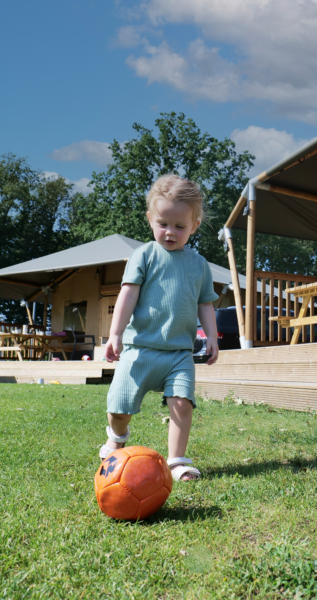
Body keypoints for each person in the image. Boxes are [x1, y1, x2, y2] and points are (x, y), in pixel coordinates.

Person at [99, 174, 219, 482]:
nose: (170, 232)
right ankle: (117, 435)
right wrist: (115, 334)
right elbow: (128, 294)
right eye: (163, 223)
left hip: (179, 352)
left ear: (194, 226)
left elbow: (205, 303)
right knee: (119, 407)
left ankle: (177, 460)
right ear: (151, 219)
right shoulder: (145, 255)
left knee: (182, 403)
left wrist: (213, 337)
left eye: (180, 226)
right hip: (140, 348)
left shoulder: (199, 265)